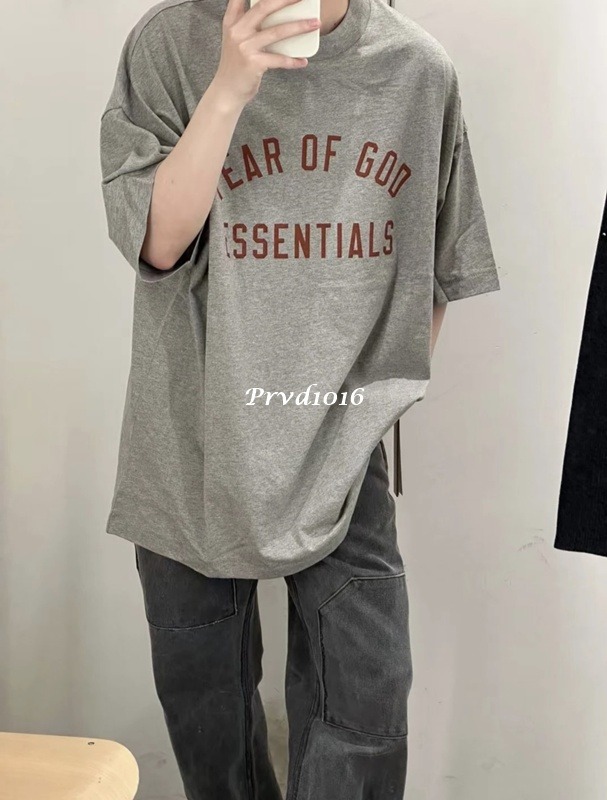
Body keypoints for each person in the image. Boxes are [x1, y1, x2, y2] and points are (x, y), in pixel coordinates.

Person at [99, 0, 501, 797]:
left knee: (365, 709)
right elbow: (156, 242)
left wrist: (368, 408)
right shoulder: (167, 43)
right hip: (190, 443)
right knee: (207, 719)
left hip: (342, 456)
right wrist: (228, 88)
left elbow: (435, 269)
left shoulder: (415, 69)